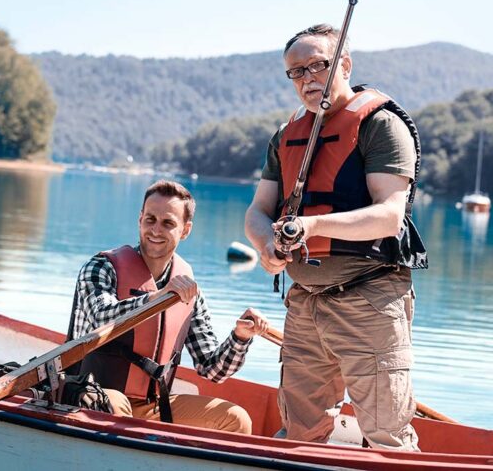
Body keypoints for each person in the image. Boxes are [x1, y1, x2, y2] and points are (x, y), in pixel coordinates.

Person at [244, 23, 427, 450]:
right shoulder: (287, 134)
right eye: (296, 71)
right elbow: (257, 211)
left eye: (318, 66)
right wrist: (265, 246)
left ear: (344, 64)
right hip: (305, 302)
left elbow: (388, 216)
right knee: (299, 432)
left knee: (386, 435)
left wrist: (313, 226)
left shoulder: (380, 125)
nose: (307, 79)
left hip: (369, 300)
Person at [68, 179, 268, 434]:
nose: (155, 230)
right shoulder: (100, 268)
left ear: (185, 230)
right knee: (116, 410)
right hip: (90, 394)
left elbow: (212, 370)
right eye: (150, 219)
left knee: (235, 419)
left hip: (152, 405)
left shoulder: (187, 289)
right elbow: (101, 319)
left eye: (168, 223)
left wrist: (240, 337)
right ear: (140, 219)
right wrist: (157, 298)